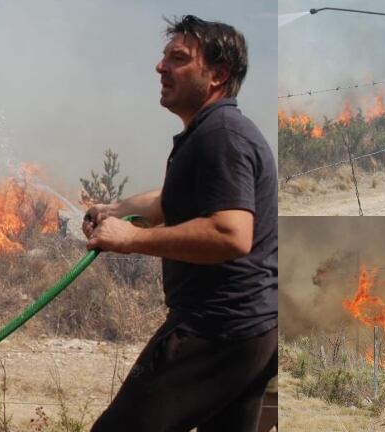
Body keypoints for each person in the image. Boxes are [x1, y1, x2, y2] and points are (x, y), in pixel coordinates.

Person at [84, 15, 277, 432]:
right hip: (249, 331)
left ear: (218, 74)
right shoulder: (215, 130)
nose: (161, 67)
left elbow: (231, 233)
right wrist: (119, 210)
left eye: (178, 58)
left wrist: (133, 238)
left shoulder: (221, 136)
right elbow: (181, 197)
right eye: (164, 57)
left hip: (215, 332)